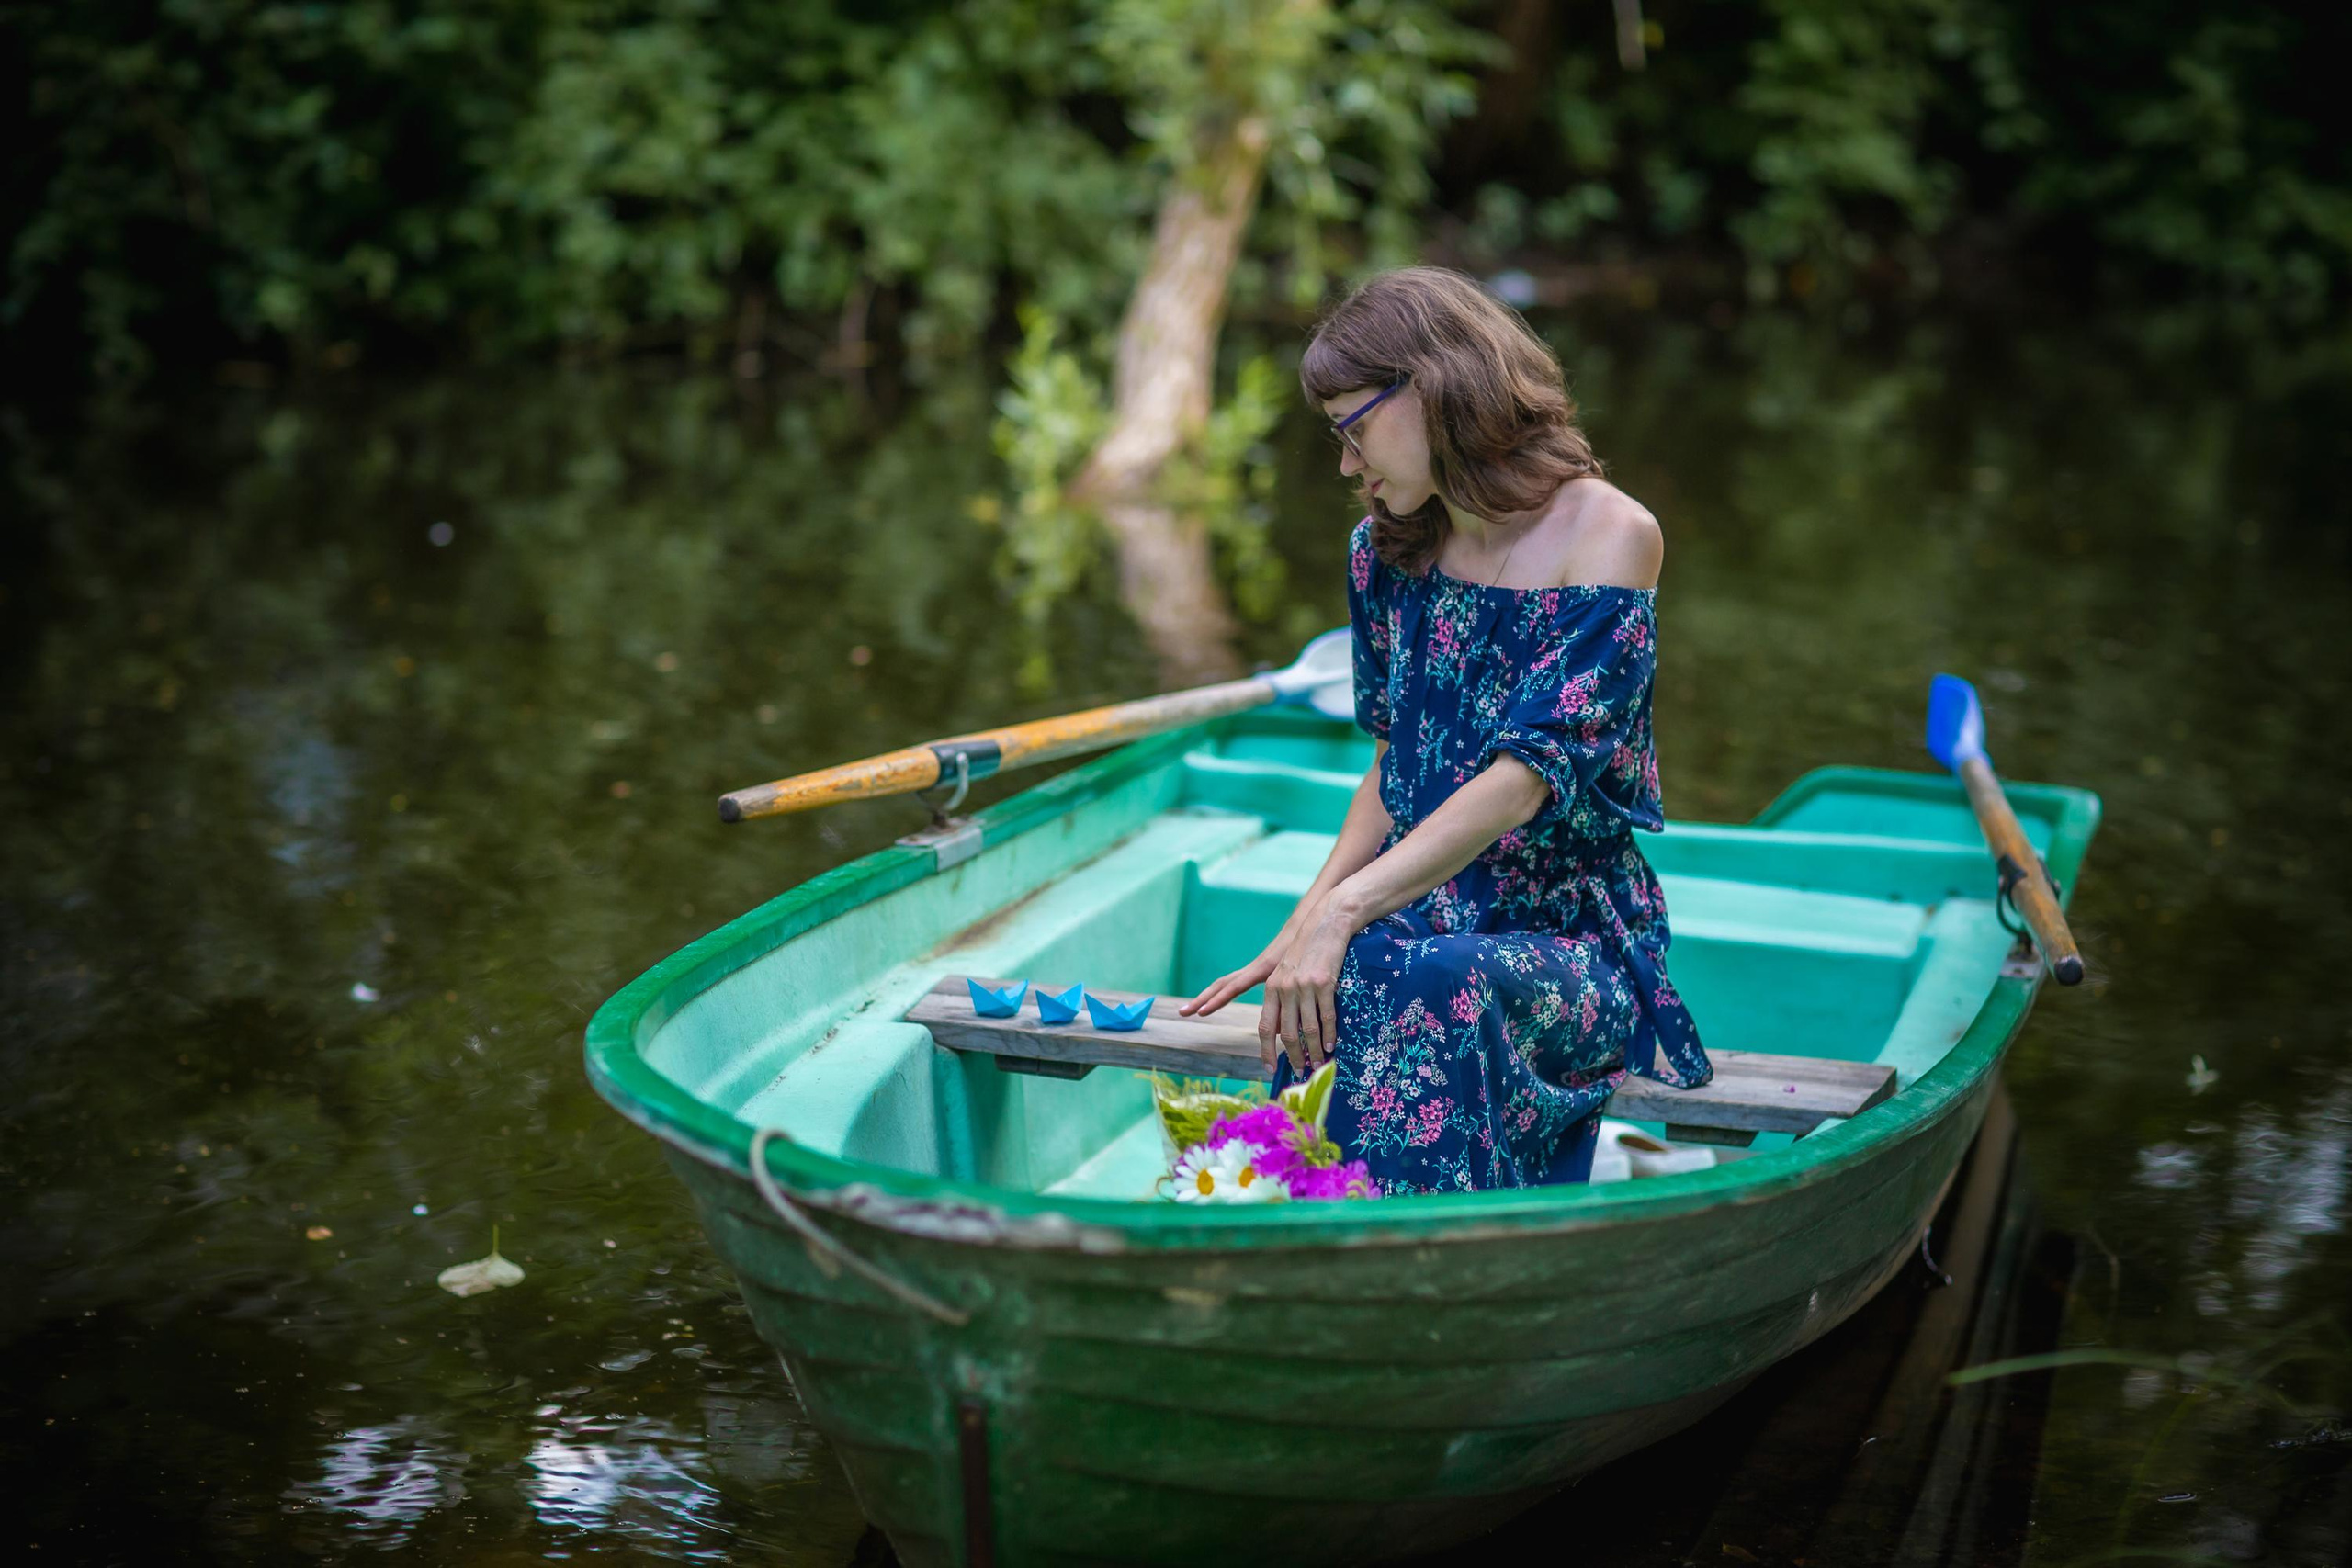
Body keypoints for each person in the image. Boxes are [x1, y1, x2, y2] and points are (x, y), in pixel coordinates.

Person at [1178, 265, 1710, 1194]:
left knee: (1411, 974)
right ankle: (1307, 1229)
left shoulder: (1612, 537)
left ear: (1431, 389)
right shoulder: (1383, 549)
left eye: (1353, 429)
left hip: (1569, 939)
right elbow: (1397, 764)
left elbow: (1526, 778)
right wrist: (1305, 923)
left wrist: (1344, 912)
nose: (1347, 465)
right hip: (1418, 910)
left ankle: (1418, 1259)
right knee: (1356, 972)